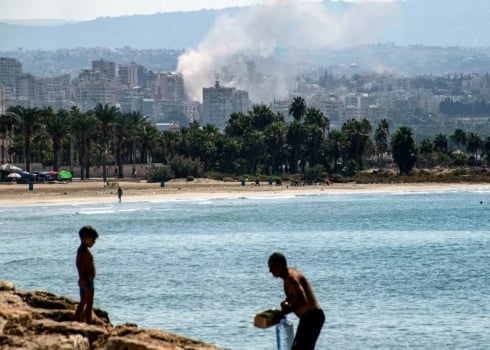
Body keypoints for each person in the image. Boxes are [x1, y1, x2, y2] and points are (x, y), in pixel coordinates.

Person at [268, 252, 325, 350]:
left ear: (280, 266)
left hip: (312, 317)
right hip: (310, 317)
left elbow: (303, 300)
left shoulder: (291, 279)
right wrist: (287, 302)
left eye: (272, 268)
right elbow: (296, 297)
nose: (270, 271)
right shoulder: (289, 275)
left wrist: (284, 312)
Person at [74, 225, 99, 324]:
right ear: (85, 238)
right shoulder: (82, 251)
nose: (94, 242)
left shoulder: (83, 250)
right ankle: (87, 323)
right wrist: (82, 279)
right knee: (88, 304)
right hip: (87, 280)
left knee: (84, 302)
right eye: (92, 240)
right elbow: (79, 265)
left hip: (87, 279)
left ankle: (79, 321)